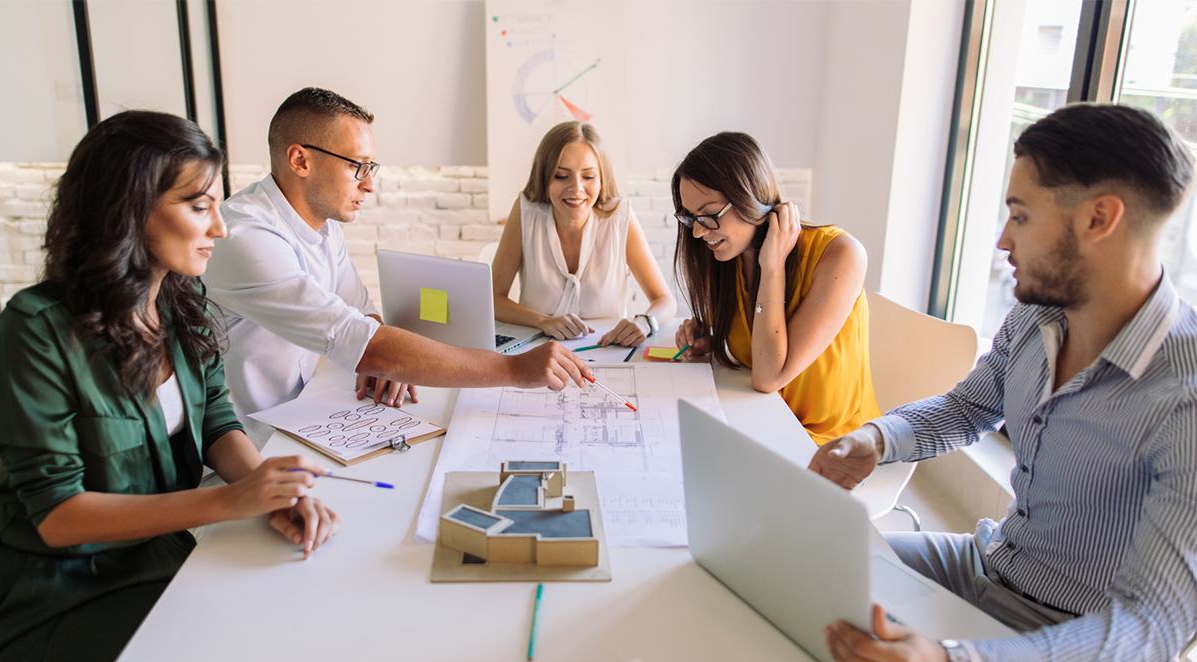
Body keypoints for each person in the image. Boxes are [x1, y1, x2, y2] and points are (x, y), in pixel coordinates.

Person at [811, 104, 1196, 662]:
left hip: (1090, 656)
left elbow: (1149, 630)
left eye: (1020, 215)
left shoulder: (1186, 397)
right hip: (985, 567)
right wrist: (877, 440)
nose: (1001, 240)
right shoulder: (1037, 315)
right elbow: (969, 407)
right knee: (809, 564)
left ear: (1101, 218)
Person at [0, 111, 340, 662]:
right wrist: (228, 503)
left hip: (158, 562)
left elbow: (217, 422)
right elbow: (59, 517)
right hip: (55, 601)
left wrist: (268, 490)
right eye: (197, 206)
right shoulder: (34, 331)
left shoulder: (183, 305)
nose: (220, 225)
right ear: (128, 210)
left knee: (301, 641)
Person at [203, 88, 588, 442]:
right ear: (300, 160)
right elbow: (363, 340)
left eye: (373, 167)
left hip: (307, 418)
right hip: (247, 446)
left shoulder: (321, 225)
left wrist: (379, 354)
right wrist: (515, 371)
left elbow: (363, 315)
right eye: (358, 166)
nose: (369, 184)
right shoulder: (245, 238)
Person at [671, 132, 880, 443]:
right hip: (761, 424)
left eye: (710, 215)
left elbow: (769, 377)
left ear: (749, 196)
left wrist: (772, 267)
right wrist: (708, 337)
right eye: (691, 218)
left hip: (830, 445)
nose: (699, 232)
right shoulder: (730, 257)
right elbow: (755, 352)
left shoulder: (841, 256)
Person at [491, 121, 677, 346]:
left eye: (588, 177)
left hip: (607, 350)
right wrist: (544, 321)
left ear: (601, 180)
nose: (576, 188)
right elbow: (492, 299)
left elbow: (665, 300)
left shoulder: (620, 217)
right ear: (544, 177)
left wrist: (645, 322)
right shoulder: (526, 211)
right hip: (538, 351)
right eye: (561, 176)